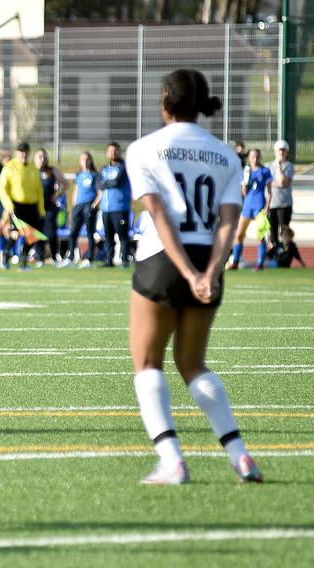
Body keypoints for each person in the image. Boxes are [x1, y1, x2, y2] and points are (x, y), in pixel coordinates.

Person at [126, 68, 263, 485]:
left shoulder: (144, 148)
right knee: (192, 363)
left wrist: (185, 270)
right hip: (207, 257)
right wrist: (209, 272)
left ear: (165, 101)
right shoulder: (225, 154)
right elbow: (228, 220)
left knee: (148, 362)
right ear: (200, 105)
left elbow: (160, 215)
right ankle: (240, 456)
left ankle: (172, 460)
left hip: (164, 259)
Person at [0, 142, 44, 270]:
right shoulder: (10, 167)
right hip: (16, 205)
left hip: (32, 206)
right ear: (17, 153)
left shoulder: (33, 168)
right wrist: (8, 204)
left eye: (25, 152)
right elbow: (2, 188)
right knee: (17, 233)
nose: (23, 154)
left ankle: (23, 263)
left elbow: (39, 189)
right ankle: (5, 254)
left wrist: (41, 208)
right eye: (21, 152)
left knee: (32, 235)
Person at [228, 148, 272, 271]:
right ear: (249, 157)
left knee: (260, 236)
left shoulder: (265, 171)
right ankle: (235, 261)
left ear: (260, 157)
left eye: (257, 156)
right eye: (253, 156)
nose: (255, 159)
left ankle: (260, 263)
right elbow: (244, 192)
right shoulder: (246, 171)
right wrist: (246, 181)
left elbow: (269, 191)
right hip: (247, 205)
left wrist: (267, 206)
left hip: (259, 205)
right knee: (239, 234)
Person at [59, 152, 101, 268]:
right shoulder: (78, 175)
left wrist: (94, 205)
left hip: (89, 205)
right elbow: (76, 191)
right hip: (78, 206)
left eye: (87, 159)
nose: (85, 161)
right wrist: (73, 206)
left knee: (89, 232)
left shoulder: (95, 175)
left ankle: (89, 259)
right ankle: (71, 257)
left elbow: (99, 193)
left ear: (91, 160)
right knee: (73, 233)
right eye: (83, 159)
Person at [98, 142, 132, 267]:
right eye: (111, 151)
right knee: (108, 236)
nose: (113, 153)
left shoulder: (124, 167)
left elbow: (117, 181)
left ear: (119, 152)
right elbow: (98, 184)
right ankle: (109, 260)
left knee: (122, 235)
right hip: (106, 208)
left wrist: (106, 183)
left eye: (115, 150)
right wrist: (107, 183)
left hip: (120, 207)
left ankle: (125, 259)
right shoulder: (104, 168)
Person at [34, 148, 67, 265]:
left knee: (51, 232)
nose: (42, 159)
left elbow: (65, 183)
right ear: (34, 159)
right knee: (37, 232)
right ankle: (39, 257)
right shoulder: (31, 171)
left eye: (44, 156)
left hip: (49, 206)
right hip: (36, 207)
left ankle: (54, 256)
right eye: (39, 156)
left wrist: (57, 195)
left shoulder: (51, 171)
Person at [267, 140, 294, 249]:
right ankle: (274, 253)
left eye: (283, 151)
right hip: (272, 204)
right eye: (279, 150)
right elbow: (266, 183)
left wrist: (279, 165)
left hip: (284, 204)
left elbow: (283, 181)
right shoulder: (268, 166)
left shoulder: (289, 166)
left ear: (287, 152)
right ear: (275, 152)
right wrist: (276, 183)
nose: (281, 153)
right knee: (272, 231)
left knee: (284, 231)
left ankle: (284, 254)